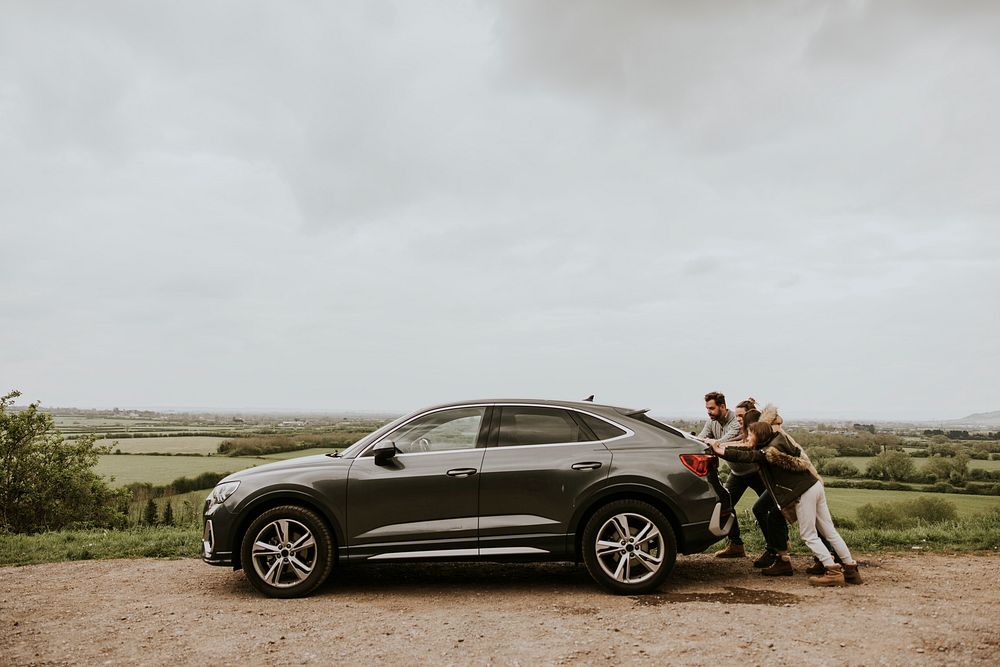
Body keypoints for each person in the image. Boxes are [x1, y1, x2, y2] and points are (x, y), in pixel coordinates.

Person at [709, 421, 862, 586]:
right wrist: (723, 446)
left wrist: (719, 450)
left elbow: (748, 456)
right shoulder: (779, 440)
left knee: (808, 535)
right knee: (829, 531)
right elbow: (746, 449)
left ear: (759, 436)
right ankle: (851, 570)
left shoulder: (768, 451)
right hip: (813, 484)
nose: (748, 437)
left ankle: (832, 570)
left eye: (751, 434)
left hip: (803, 491)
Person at [712, 400, 770, 559]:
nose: (738, 418)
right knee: (726, 503)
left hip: (754, 472)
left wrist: (718, 446)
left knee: (768, 508)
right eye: (737, 415)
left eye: (741, 415)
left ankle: (778, 546)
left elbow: (743, 443)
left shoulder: (753, 428)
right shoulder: (715, 423)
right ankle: (736, 545)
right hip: (737, 474)